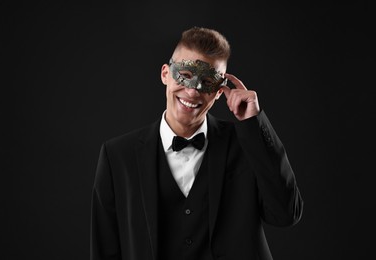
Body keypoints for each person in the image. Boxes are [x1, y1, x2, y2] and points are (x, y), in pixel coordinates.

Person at [90, 26, 303, 260]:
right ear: (165, 74)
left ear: (220, 91)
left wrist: (254, 124)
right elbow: (105, 250)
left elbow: (285, 214)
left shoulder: (246, 144)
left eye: (208, 81)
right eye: (186, 74)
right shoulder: (118, 156)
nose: (193, 92)